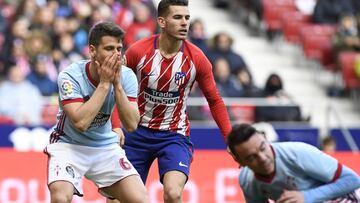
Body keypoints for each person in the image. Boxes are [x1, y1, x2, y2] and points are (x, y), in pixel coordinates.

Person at [117, 0, 232, 202]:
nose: (184, 23)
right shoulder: (138, 52)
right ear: (161, 21)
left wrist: (229, 137)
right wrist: (116, 126)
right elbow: (114, 88)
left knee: (173, 193)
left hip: (173, 135)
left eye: (187, 18)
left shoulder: (197, 59)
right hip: (136, 133)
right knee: (118, 199)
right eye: (177, 17)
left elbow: (214, 100)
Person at [44, 21, 149, 203]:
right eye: (109, 49)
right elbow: (81, 123)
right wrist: (105, 83)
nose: (116, 55)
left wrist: (117, 86)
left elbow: (132, 125)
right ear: (92, 50)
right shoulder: (70, 76)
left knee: (140, 200)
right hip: (69, 145)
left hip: (105, 147)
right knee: (60, 198)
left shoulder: (127, 76)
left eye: (119, 48)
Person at [227, 123, 360, 203]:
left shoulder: (297, 153)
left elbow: (352, 180)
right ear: (240, 162)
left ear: (266, 141)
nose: (262, 158)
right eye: (251, 157)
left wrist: (307, 197)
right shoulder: (247, 181)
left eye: (263, 147)